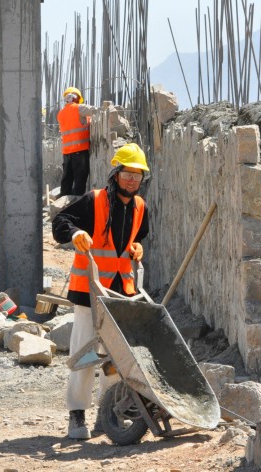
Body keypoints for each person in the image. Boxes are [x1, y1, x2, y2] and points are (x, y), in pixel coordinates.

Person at [52, 143, 150, 440]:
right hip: (89, 292)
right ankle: (76, 414)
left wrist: (137, 247)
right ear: (116, 174)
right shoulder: (94, 200)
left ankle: (105, 414)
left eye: (138, 175)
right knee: (84, 353)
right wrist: (76, 233)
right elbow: (60, 222)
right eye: (128, 174)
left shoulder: (141, 207)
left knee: (115, 358)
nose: (132, 180)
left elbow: (139, 234)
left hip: (122, 294)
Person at [56, 86, 97, 196]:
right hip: (80, 152)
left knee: (67, 180)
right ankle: (77, 205)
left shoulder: (60, 114)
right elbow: (96, 110)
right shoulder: (79, 108)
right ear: (75, 97)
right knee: (80, 181)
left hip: (67, 153)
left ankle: (63, 205)